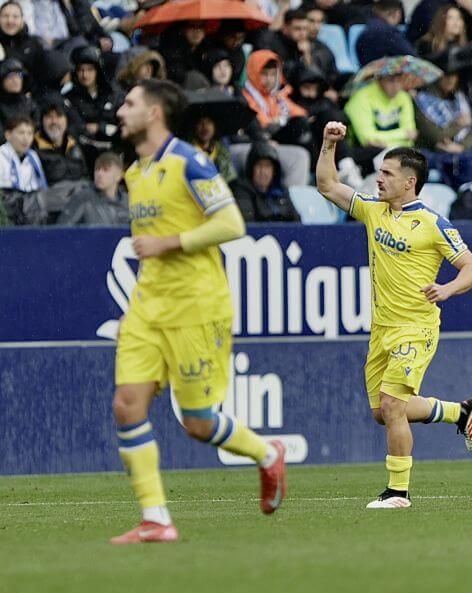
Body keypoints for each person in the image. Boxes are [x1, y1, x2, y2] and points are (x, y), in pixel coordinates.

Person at [110, 79, 287, 544]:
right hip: (148, 306)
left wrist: (170, 242)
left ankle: (267, 453)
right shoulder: (135, 173)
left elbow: (231, 223)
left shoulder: (189, 162)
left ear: (153, 113)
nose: (119, 110)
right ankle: (156, 519)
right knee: (127, 405)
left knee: (198, 422)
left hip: (197, 305)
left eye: (129, 104)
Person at [316, 120, 472, 509]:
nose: (379, 180)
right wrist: (328, 144)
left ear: (410, 182)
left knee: (393, 405)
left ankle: (398, 493)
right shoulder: (374, 211)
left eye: (387, 174)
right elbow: (327, 185)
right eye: (379, 173)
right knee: (383, 412)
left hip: (417, 327)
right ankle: (460, 413)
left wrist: (447, 288)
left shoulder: (432, 224)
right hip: (382, 329)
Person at [231, 139, 300, 223]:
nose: (263, 172)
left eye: (267, 166)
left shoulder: (282, 191)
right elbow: (249, 223)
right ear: (251, 169)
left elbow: (297, 222)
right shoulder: (242, 190)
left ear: (274, 171)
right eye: (259, 165)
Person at [57, 151, 128, 225]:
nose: (99, 174)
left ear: (118, 175)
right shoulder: (83, 197)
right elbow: (62, 230)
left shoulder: (128, 201)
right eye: (97, 169)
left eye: (105, 170)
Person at [0, 114, 46, 192]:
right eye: (21, 133)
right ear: (8, 135)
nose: (26, 138)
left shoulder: (33, 156)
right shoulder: (1, 156)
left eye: (30, 133)